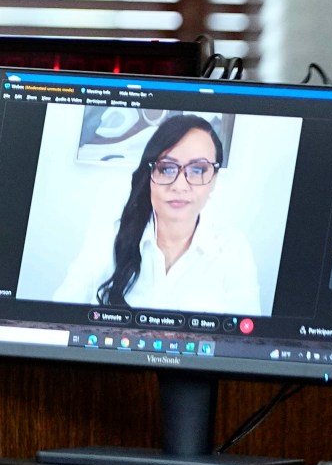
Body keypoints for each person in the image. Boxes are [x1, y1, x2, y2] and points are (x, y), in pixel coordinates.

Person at [52, 113, 265, 316]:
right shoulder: (109, 237)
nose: (180, 185)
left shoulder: (234, 250)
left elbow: (246, 340)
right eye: (167, 168)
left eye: (198, 170)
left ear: (214, 179)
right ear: (150, 174)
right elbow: (59, 316)